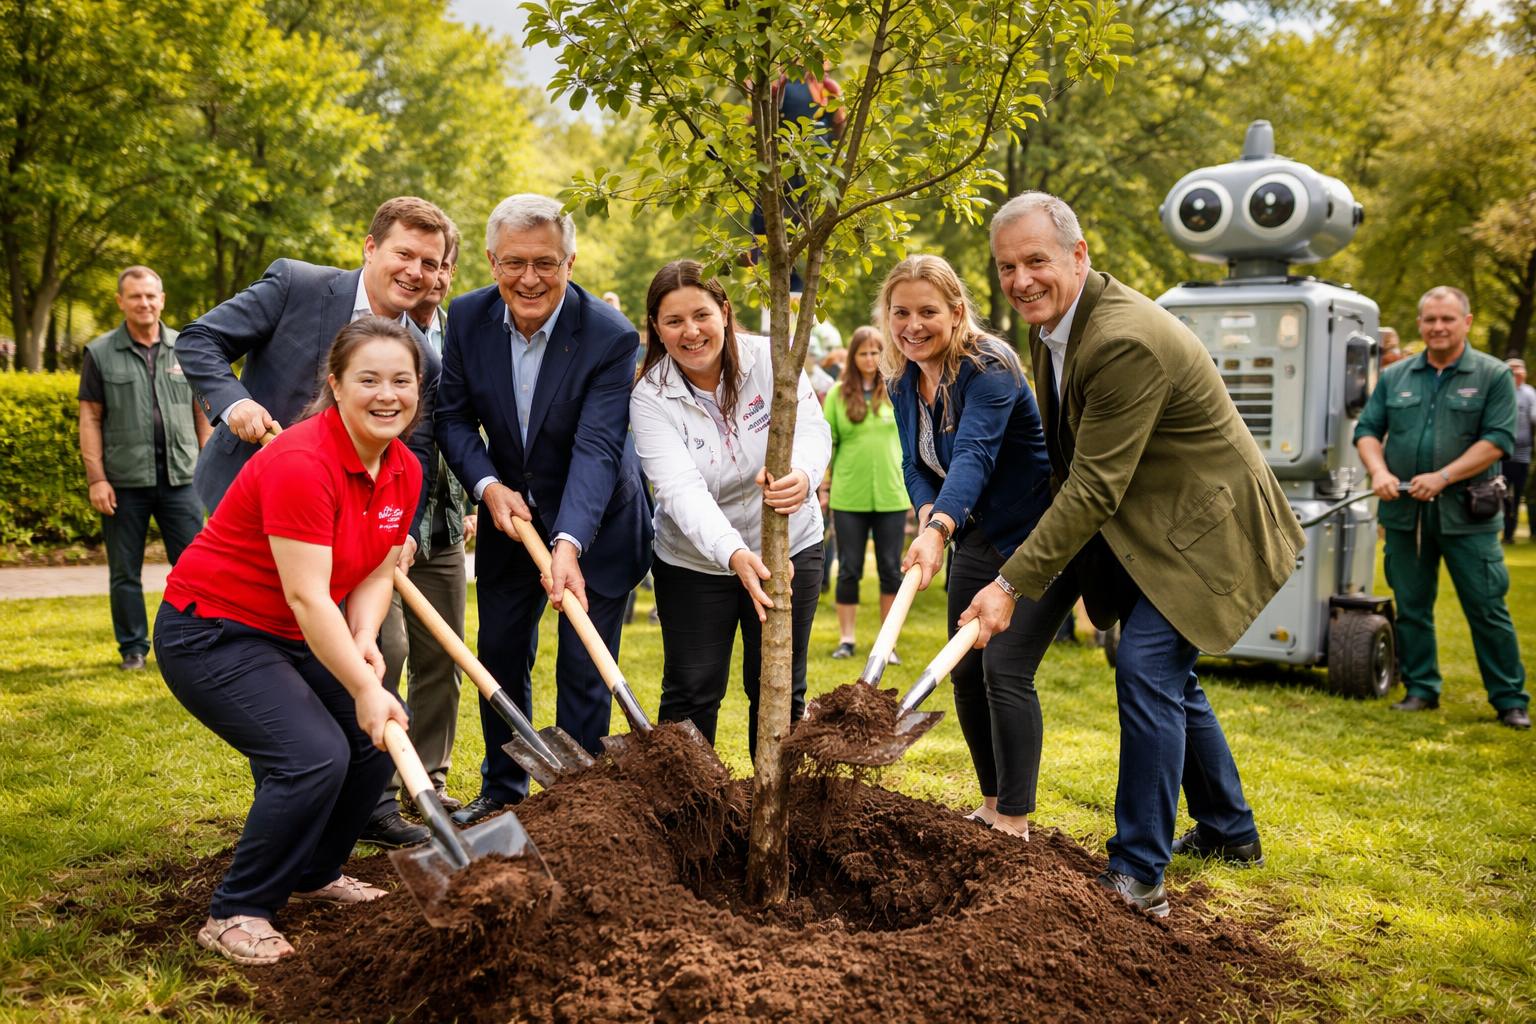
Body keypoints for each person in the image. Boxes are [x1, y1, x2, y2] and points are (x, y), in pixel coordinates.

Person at [963, 192, 1307, 916]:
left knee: (1148, 669)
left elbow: (1093, 485)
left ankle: (1138, 874)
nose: (1021, 280)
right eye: (1006, 267)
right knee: (1164, 675)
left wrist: (1011, 582)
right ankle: (1230, 831)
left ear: (1079, 256)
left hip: (1208, 532)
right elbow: (1071, 459)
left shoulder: (1122, 339)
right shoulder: (1058, 323)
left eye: (1036, 261)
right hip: (1159, 527)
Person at [153, 318, 425, 965]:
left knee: (377, 739)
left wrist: (363, 638)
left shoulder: (404, 467)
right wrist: (362, 685)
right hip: (212, 629)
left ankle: (315, 872)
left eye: (402, 380)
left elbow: (376, 569)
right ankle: (237, 911)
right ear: (335, 385)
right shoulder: (303, 461)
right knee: (311, 755)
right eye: (369, 380)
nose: (387, 395)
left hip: (292, 630)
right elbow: (307, 595)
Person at [436, 194, 653, 825]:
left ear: (570, 260)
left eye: (546, 264)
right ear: (490, 260)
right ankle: (504, 790)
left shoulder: (610, 337)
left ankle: (573, 802)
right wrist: (485, 484)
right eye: (514, 263)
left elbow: (597, 446)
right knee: (501, 654)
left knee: (585, 667)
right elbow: (452, 417)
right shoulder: (467, 317)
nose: (529, 278)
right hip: (509, 517)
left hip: (598, 524)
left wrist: (569, 544)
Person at [881, 254, 1069, 843]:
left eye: (928, 312)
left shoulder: (990, 366)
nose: (913, 325)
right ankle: (990, 804)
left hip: (1034, 534)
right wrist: (925, 515)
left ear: (957, 311)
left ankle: (1014, 819)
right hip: (976, 535)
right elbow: (916, 464)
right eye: (901, 312)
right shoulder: (903, 378)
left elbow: (975, 457)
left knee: (1004, 669)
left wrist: (937, 530)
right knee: (963, 672)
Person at [630, 260, 829, 755]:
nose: (691, 332)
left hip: (790, 546)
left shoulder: (770, 358)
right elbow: (679, 489)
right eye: (673, 321)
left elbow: (810, 429)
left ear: (724, 311)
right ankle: (687, 813)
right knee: (692, 690)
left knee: (778, 685)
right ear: (656, 327)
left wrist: (801, 475)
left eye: (701, 315)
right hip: (696, 561)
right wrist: (735, 554)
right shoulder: (650, 396)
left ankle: (775, 810)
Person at [176, 196, 452, 533]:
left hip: (340, 522)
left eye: (429, 263)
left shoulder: (427, 361)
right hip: (246, 494)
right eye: (404, 254)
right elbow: (199, 339)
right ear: (370, 247)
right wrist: (236, 404)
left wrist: (403, 533)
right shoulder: (296, 284)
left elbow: (416, 452)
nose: (415, 272)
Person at [1354, 287, 1529, 729]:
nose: (1438, 327)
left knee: (1487, 607)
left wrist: (1445, 476)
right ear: (1420, 325)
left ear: (1466, 322)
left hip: (1468, 513)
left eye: (1448, 319)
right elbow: (1369, 430)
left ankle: (1510, 700)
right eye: (1430, 319)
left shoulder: (1491, 375)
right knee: (1411, 605)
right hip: (1405, 514)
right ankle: (1420, 689)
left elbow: (1498, 441)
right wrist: (1378, 471)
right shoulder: (1396, 377)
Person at [366, 229, 473, 847]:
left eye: (440, 266)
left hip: (441, 524)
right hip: (383, 527)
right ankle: (376, 787)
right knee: (389, 649)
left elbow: (458, 429)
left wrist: (469, 499)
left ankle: (426, 779)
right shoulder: (379, 332)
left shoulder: (456, 340)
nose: (429, 277)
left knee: (445, 655)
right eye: (415, 263)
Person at [77, 266, 211, 670]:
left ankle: (196, 640)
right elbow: (90, 419)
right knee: (124, 572)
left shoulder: (184, 348)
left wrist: (207, 467)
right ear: (121, 301)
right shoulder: (99, 353)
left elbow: (201, 411)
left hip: (182, 478)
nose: (144, 303)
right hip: (124, 482)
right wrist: (97, 478)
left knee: (194, 566)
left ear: (162, 299)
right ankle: (133, 648)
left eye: (151, 295)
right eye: (135, 296)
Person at [821, 326, 908, 663]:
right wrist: (824, 488)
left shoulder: (899, 391)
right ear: (853, 357)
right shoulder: (837, 394)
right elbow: (827, 445)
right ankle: (847, 639)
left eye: (876, 352)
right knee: (849, 569)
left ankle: (887, 645)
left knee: (890, 569)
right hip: (848, 496)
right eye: (863, 353)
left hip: (892, 495)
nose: (870, 359)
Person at [1502, 358, 1536, 542]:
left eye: (1519, 370)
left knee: (1517, 496)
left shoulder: (1529, 393)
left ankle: (1510, 534)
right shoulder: (1499, 390)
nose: (1517, 374)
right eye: (1512, 371)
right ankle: (1502, 531)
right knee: (1501, 494)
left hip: (1522, 454)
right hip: (1499, 454)